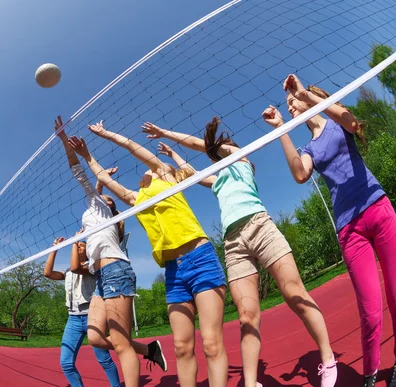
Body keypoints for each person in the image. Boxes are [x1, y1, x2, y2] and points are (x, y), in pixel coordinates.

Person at [143, 120, 337, 387]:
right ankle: (250, 383)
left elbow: (203, 145)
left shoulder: (242, 159)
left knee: (294, 292)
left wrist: (166, 132)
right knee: (246, 316)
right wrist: (172, 155)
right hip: (233, 243)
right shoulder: (218, 179)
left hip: (260, 227)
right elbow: (189, 172)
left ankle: (327, 358)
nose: (216, 152)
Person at [68, 120, 227, 387]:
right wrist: (86, 156)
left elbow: (131, 146)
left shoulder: (165, 175)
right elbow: (105, 179)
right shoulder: (135, 199)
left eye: (148, 169)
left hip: (200, 257)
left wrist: (106, 133)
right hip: (173, 270)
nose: (144, 172)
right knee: (181, 347)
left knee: (211, 343)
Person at [263, 73, 396, 387]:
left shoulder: (336, 122)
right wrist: (281, 129)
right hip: (350, 229)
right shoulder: (308, 147)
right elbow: (299, 174)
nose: (291, 105)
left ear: (307, 96)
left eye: (292, 99)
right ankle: (370, 373)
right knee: (370, 310)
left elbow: (353, 123)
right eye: (289, 103)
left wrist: (306, 95)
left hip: (378, 209)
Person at [54, 116, 166, 387]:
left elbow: (79, 173)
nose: (103, 196)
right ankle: (148, 350)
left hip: (116, 272)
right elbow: (95, 187)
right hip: (102, 280)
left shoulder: (104, 212)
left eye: (107, 199)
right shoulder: (94, 212)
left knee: (120, 342)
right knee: (95, 337)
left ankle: (136, 368)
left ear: (108, 208)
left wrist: (65, 143)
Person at [43, 235, 121, 387]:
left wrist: (73, 242)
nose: (78, 246)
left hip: (93, 317)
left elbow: (76, 268)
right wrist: (54, 249)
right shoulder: (67, 272)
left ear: (88, 250)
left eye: (81, 245)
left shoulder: (92, 266)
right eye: (76, 245)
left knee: (104, 359)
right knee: (66, 362)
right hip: (73, 319)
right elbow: (47, 273)